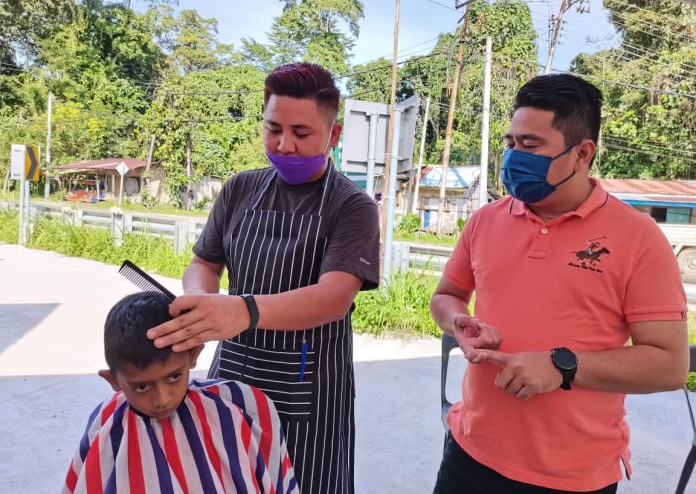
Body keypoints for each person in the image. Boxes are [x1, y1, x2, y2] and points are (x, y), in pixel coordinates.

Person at [430, 74, 689, 494]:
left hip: (572, 475)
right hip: (470, 451)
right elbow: (446, 296)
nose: (513, 157)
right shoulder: (486, 220)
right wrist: (459, 322)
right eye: (511, 143)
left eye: (530, 145)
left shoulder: (638, 238)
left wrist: (561, 366)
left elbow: (669, 365)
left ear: (582, 153)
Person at [145, 62, 381, 494]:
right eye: (274, 129)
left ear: (333, 134)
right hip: (231, 375)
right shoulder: (240, 188)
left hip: (307, 391)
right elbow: (203, 264)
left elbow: (333, 297)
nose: (284, 145)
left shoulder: (352, 206)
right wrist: (201, 305)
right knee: (226, 478)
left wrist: (243, 311)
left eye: (301, 133)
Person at [63, 291, 298, 494]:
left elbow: (275, 477)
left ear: (193, 355)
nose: (162, 399)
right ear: (113, 380)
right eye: (142, 387)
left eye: (174, 376)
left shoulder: (240, 408)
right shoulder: (107, 427)